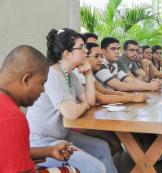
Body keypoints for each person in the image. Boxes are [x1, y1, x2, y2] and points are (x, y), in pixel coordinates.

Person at [26, 29, 117, 173]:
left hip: (60, 135)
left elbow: (90, 101)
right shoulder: (53, 75)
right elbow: (71, 112)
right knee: (96, 168)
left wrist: (88, 74)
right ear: (67, 54)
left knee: (102, 146)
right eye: (81, 47)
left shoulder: (69, 75)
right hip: (42, 142)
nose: (86, 51)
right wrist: (83, 105)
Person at [0, 45, 79, 173]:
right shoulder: (13, 118)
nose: (43, 89)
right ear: (26, 79)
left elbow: (12, 152)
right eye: (42, 83)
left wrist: (50, 150)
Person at [73, 42, 149, 156]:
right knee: (114, 142)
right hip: (78, 123)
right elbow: (101, 99)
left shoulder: (89, 74)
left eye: (101, 56)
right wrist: (133, 98)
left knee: (117, 140)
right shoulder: (78, 74)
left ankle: (144, 154)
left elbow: (105, 92)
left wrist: (127, 96)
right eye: (96, 56)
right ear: (85, 56)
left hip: (91, 117)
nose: (100, 60)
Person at [94, 37, 162, 91]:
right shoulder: (100, 65)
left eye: (118, 49)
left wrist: (151, 85)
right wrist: (149, 86)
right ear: (103, 51)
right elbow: (120, 86)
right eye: (113, 49)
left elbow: (131, 80)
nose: (117, 52)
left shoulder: (115, 65)